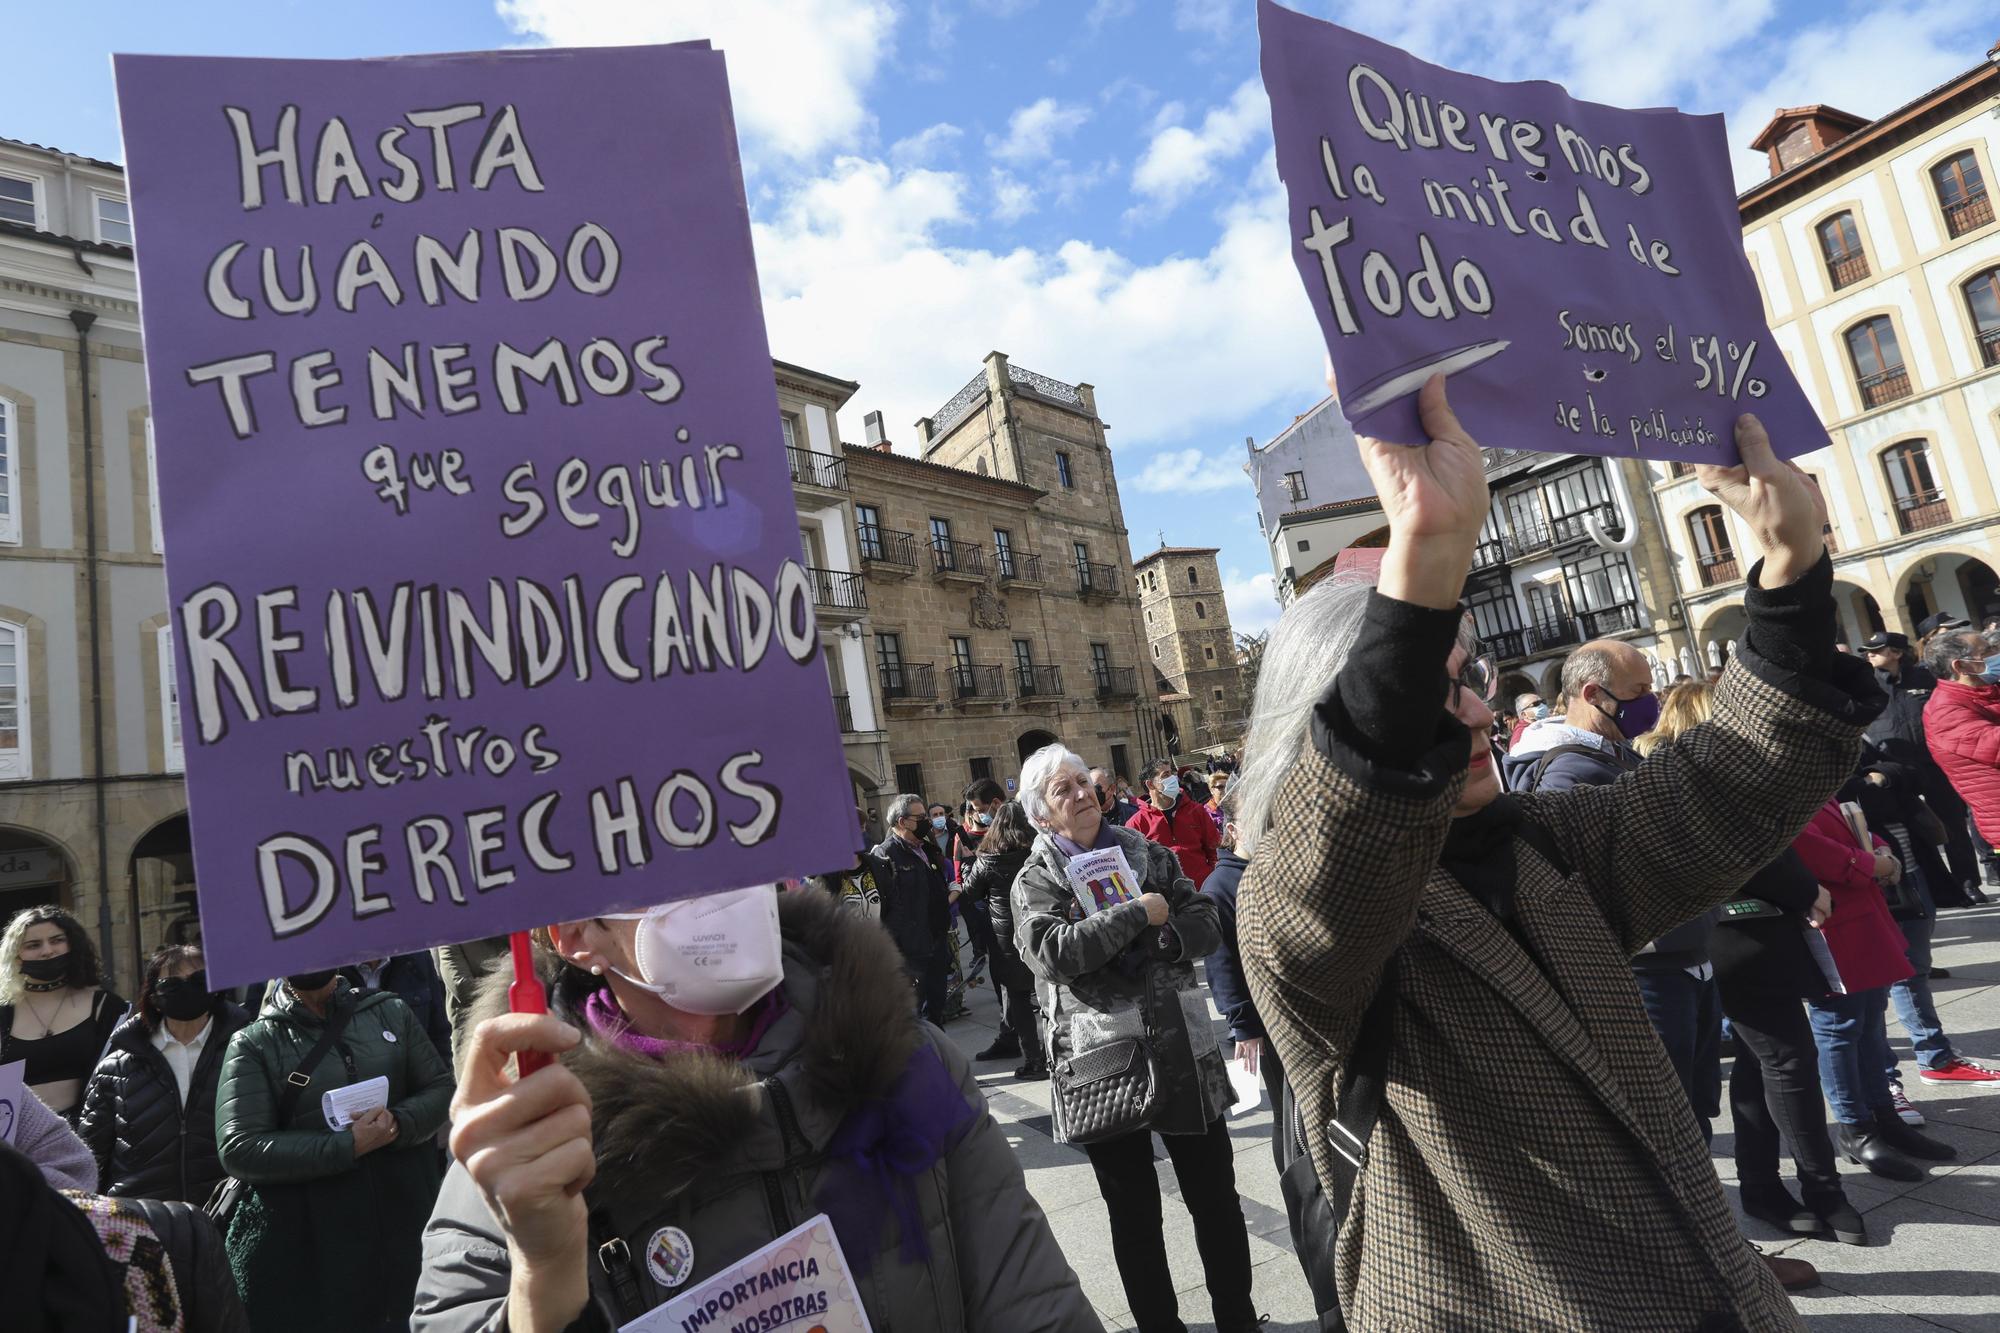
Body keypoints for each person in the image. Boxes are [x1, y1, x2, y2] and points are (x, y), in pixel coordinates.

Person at [1232, 380, 1850, 1327]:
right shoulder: (1292, 911)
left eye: (1471, 677)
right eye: (1440, 690)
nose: (1481, 712)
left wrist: (1789, 564)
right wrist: (1428, 560)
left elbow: (1726, 788)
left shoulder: (1539, 847)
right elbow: (1341, 863)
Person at [413, 883, 1099, 1331]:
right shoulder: (517, 1159)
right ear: (573, 935)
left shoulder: (905, 1057)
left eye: (731, 833)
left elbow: (1038, 1304)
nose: (719, 879)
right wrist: (541, 1282)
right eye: (662, 856)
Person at [1013, 744, 1259, 1333]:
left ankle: (1239, 1318)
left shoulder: (1144, 852)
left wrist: (1165, 937)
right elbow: (1051, 952)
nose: (1080, 795)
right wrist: (1135, 917)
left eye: (1083, 782)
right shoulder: (1036, 878)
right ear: (1041, 814)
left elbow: (1202, 923)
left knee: (1216, 1199)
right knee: (1134, 1215)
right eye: (1061, 790)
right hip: (1106, 1060)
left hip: (1183, 1045)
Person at [1640, 685, 1865, 1244]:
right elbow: (1752, 847)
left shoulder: (1702, 774)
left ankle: (1766, 1184)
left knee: (1757, 1062)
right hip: (1732, 934)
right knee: (1787, 1058)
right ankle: (1821, 1188)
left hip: (1750, 931)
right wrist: (1803, 885)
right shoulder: (1694, 779)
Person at [1512, 639, 1724, 1141]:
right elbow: (1574, 888)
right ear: (1594, 694)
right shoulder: (1571, 775)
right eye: (1640, 690)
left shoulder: (1618, 757)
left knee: (1695, 1111)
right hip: (1647, 971)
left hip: (1683, 958)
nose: (1651, 701)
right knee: (1671, 1122)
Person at [215, 967, 455, 1332]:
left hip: (405, 1229)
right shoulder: (254, 1042)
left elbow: (439, 1088)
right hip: (314, 1249)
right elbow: (239, 1146)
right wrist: (346, 1146)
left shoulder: (390, 1011)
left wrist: (397, 1123)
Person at [1792, 798, 1957, 1181]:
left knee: (1869, 1021)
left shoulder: (1814, 779)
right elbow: (1806, 846)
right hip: (1832, 919)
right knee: (1839, 1026)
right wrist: (1872, 863)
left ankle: (1882, 1113)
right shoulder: (1775, 779)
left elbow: (1853, 824)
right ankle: (1855, 1128)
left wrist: (1879, 848)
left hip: (1861, 910)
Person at [77, 944, 251, 1203]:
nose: (187, 988)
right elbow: (91, 1157)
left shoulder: (248, 1052)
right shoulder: (115, 1069)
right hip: (141, 1217)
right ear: (154, 996)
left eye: (199, 979)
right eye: (172, 983)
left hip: (228, 1211)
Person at [1863, 628, 1982, 906]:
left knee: (1952, 825)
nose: (1871, 655)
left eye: (1877, 650)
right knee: (1914, 830)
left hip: (1934, 764)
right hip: (1894, 770)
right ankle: (1935, 887)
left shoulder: (1925, 677)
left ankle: (1968, 883)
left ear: (1896, 653)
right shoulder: (1867, 684)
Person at [0, 905, 128, 1122]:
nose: (47, 950)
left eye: (57, 940)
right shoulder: (4, 1013)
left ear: (73, 945)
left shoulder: (107, 1007)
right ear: (17, 955)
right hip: (19, 1142)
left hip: (91, 1133)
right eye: (33, 945)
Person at [965, 801, 1048, 1076]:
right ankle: (1057, 1052)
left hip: (1007, 938)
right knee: (1049, 993)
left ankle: (1034, 1059)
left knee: (1019, 998)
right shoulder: (1038, 851)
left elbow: (972, 893)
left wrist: (966, 870)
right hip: (1041, 927)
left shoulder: (987, 858)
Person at [1925, 627, 2000, 914]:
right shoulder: (1945, 710)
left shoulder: (1985, 692)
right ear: (1960, 665)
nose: (1995, 655)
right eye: (1986, 652)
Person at [875, 792, 956, 1026]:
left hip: (936, 941)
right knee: (912, 1015)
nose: (927, 822)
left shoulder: (927, 848)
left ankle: (939, 1058)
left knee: (937, 1007)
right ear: (903, 822)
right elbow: (887, 907)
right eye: (920, 817)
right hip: (910, 950)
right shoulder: (885, 855)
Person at [341, 951, 454, 1064]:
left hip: (414, 1075)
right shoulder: (330, 971)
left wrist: (441, 1075)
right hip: (356, 1076)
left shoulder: (417, 957)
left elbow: (438, 1031)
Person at [1126, 756, 1222, 889]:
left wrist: (1213, 881)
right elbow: (1137, 870)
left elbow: (1215, 850)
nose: (1173, 779)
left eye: (1171, 773)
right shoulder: (1136, 824)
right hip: (1169, 901)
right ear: (1150, 784)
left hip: (1205, 890)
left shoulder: (1196, 810)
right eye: (1165, 775)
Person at [954, 778, 1008, 978]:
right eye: (975, 810)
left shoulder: (1011, 829)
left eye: (981, 809)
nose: (980, 814)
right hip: (989, 906)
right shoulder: (963, 836)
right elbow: (959, 869)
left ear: (994, 803)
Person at [432, 936, 510, 1065]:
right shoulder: (450, 939)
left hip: (511, 1028)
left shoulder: (509, 930)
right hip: (471, 1033)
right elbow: (463, 988)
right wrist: (507, 985)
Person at [1203, 767, 1232, 834]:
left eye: (1228, 786)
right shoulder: (1206, 812)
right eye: (1220, 787)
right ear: (1211, 790)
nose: (1225, 790)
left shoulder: (1236, 806)